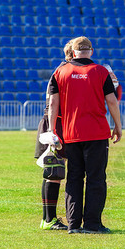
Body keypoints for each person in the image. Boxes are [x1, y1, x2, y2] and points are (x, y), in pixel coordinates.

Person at [48, 36, 122, 234]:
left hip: (71, 134)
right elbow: (112, 101)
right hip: (96, 133)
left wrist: (52, 129)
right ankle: (92, 224)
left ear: (73, 53)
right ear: (91, 52)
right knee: (96, 178)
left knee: (74, 178)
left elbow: (53, 103)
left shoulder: (60, 71)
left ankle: (73, 224)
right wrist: (118, 125)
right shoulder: (100, 71)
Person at [34, 39, 75, 230]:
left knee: (55, 172)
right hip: (56, 124)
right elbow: (53, 103)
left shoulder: (63, 70)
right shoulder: (64, 72)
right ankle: (48, 219)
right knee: (54, 172)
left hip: (59, 122)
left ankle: (49, 219)